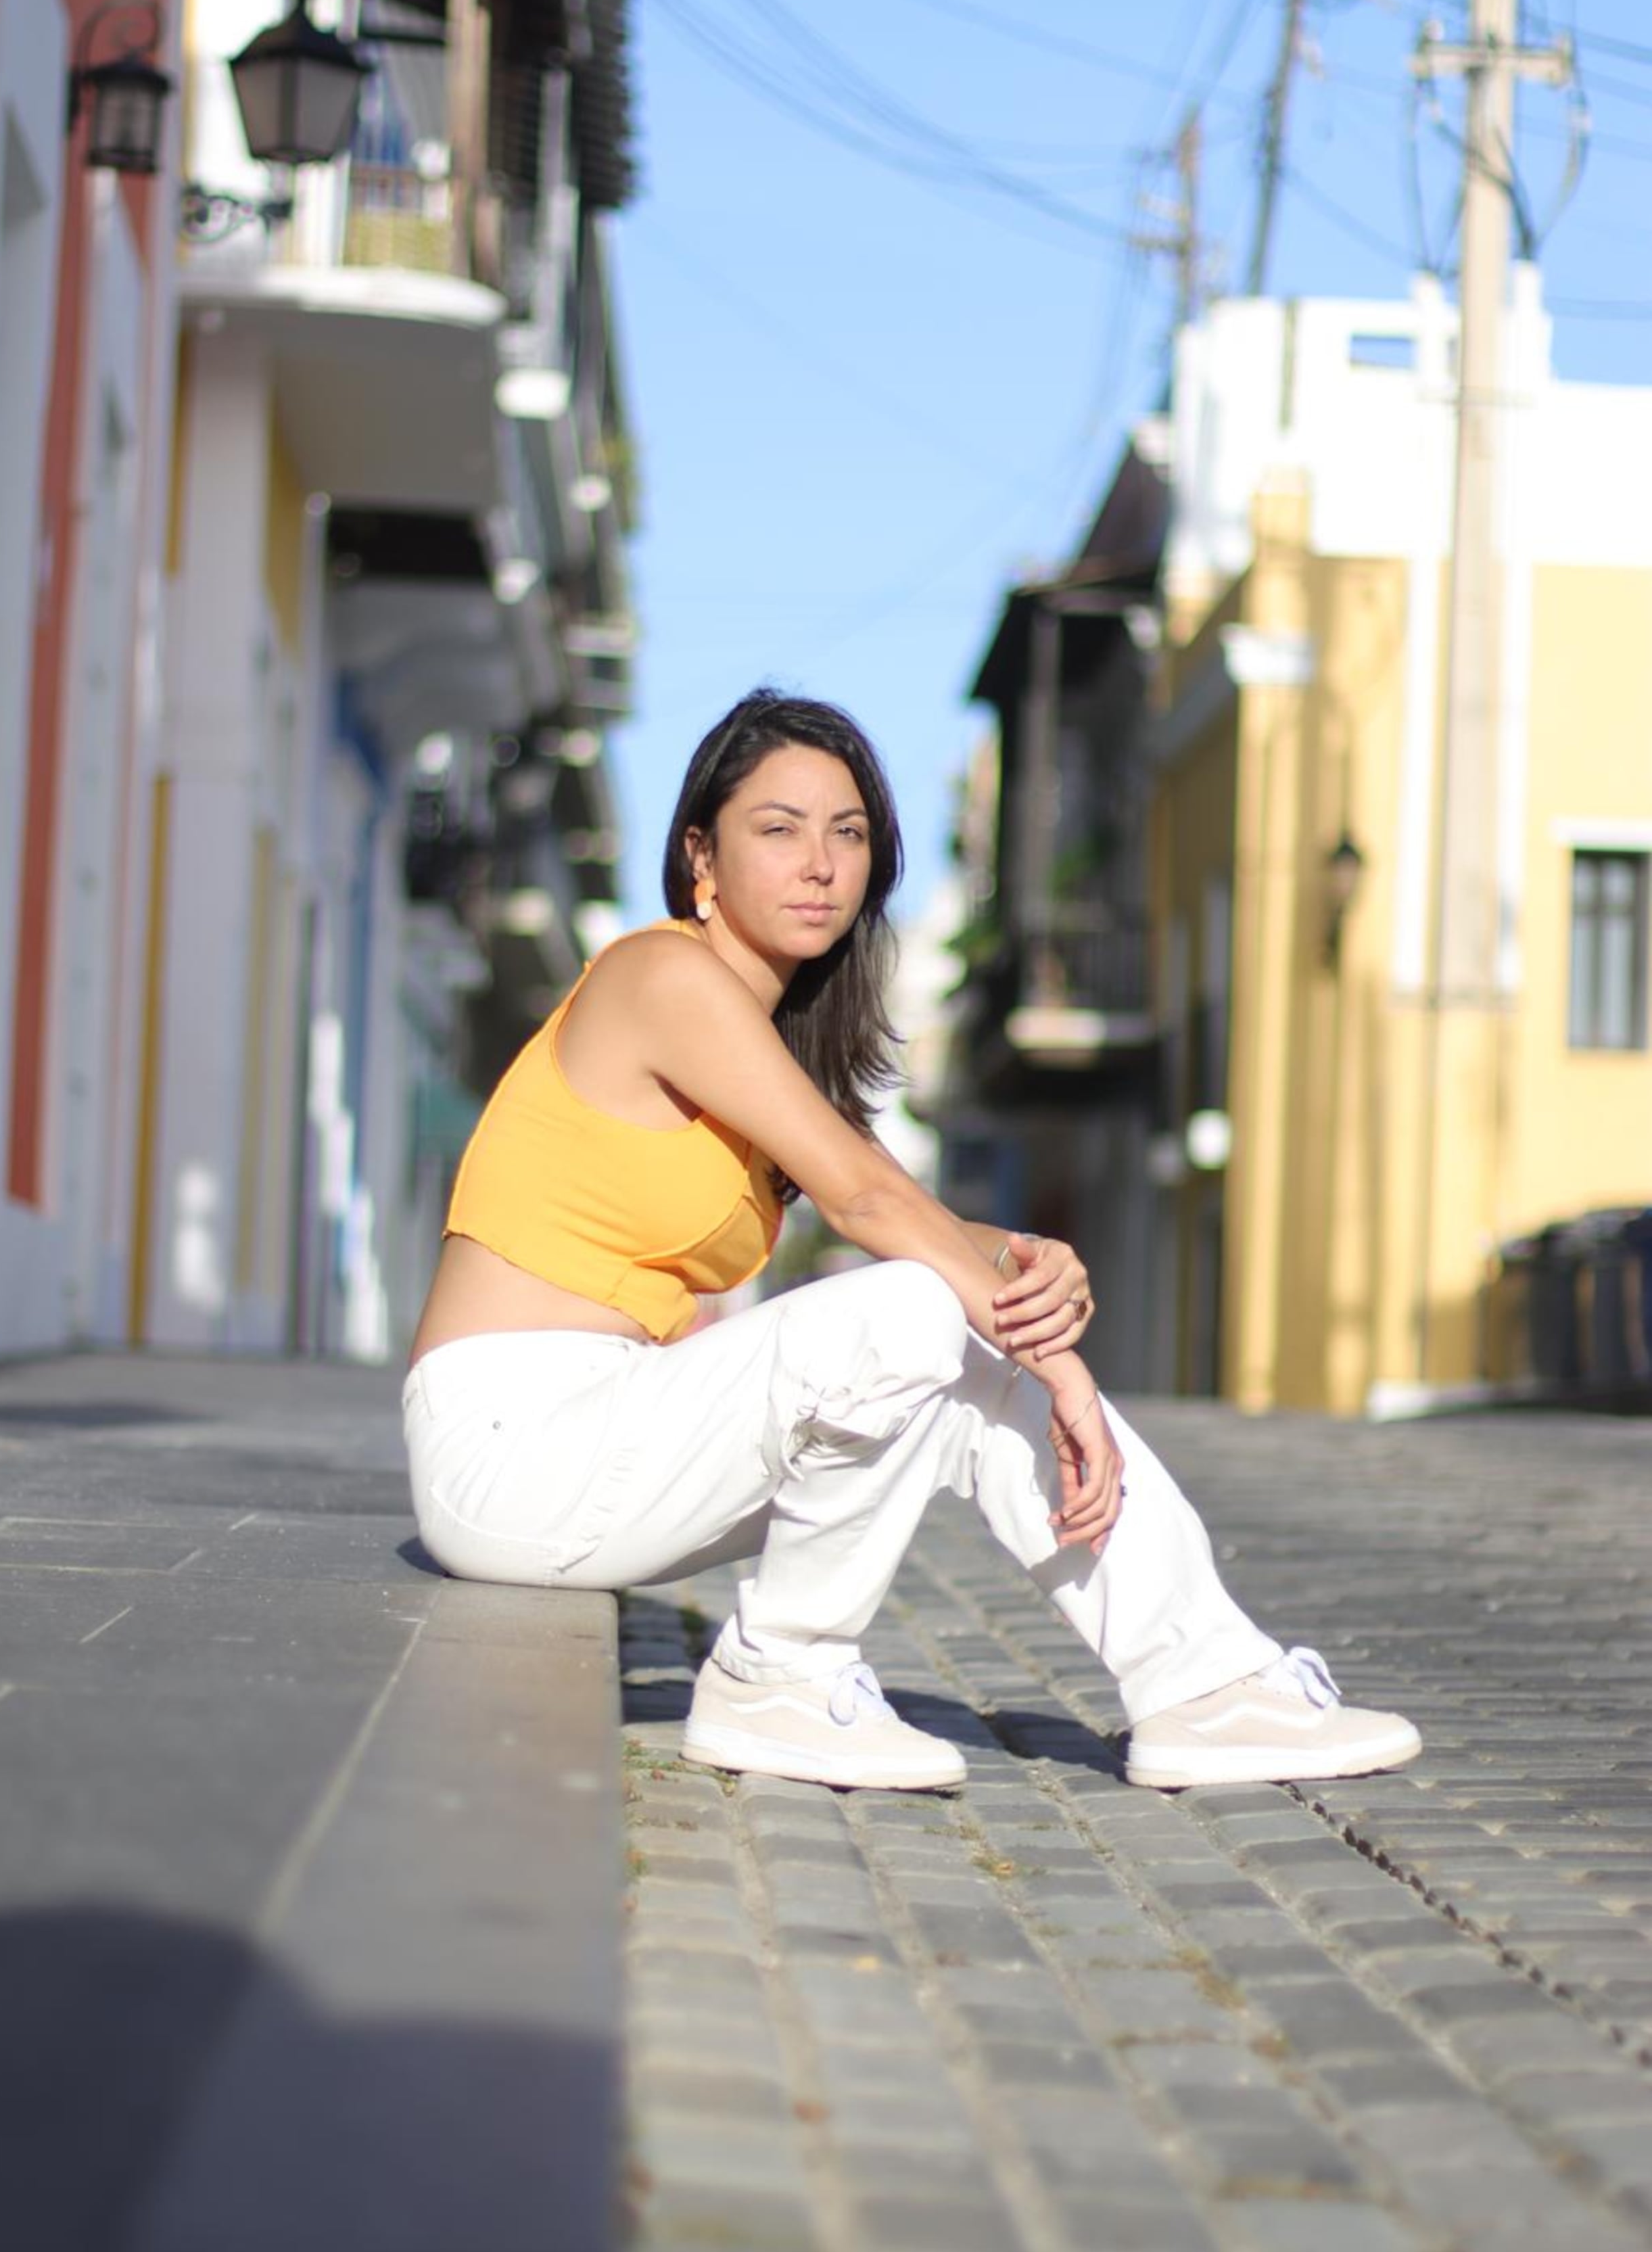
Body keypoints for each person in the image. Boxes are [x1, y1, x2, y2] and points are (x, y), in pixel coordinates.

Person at [403, 690, 1420, 1795]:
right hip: (509, 1449)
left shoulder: (769, 1036)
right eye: (779, 828)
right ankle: (780, 1674)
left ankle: (1206, 1683)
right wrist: (1061, 1364)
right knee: (916, 1312)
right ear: (701, 853)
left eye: (848, 833)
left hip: (608, 1434)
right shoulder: (661, 977)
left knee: (963, 1357)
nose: (820, 864)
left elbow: (899, 1206)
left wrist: (1019, 1257)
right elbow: (865, 1198)